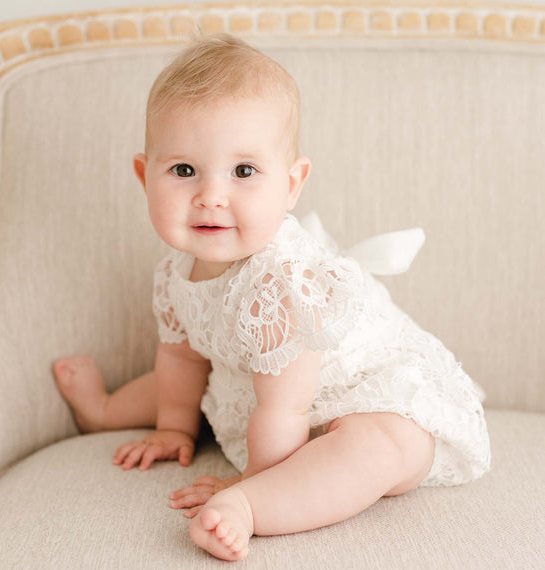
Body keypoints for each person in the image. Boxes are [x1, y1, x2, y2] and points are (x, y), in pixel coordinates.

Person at [53, 34, 491, 561]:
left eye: (243, 172)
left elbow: (288, 405)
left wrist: (252, 484)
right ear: (146, 177)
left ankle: (258, 507)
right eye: (184, 170)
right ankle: (104, 411)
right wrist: (172, 425)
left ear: (291, 184)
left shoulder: (282, 281)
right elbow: (182, 354)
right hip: (258, 388)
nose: (211, 195)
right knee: (183, 376)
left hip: (365, 394)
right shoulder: (176, 271)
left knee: (380, 447)